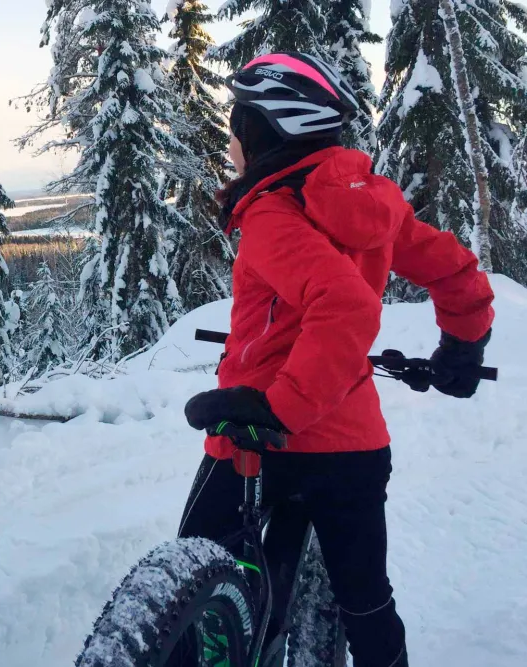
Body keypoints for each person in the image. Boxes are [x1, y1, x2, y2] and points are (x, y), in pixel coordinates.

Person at [179, 52, 495, 667]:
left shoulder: (272, 211)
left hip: (259, 437)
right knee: (367, 604)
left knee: (189, 580)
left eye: (236, 127)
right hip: (353, 445)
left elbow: (345, 304)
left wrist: (282, 408)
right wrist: (463, 345)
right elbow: (452, 268)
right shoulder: (373, 202)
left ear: (263, 132)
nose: (231, 143)